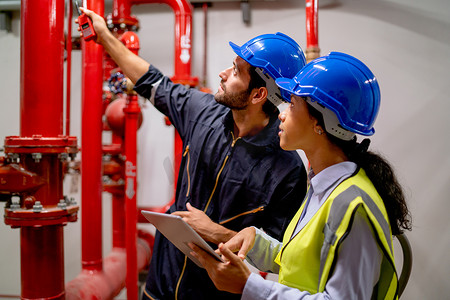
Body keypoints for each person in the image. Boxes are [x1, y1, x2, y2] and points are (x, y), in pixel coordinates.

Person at [78, 9, 309, 300]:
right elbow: (152, 81)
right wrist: (105, 37)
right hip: (160, 284)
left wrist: (217, 233)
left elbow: (281, 254)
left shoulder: (287, 170)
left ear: (258, 95)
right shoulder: (202, 112)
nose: (224, 74)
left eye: (236, 71)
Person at [190, 52, 412, 299]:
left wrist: (249, 286)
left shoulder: (352, 207)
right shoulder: (323, 185)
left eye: (293, 105)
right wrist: (256, 240)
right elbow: (304, 263)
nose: (282, 114)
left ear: (321, 123)